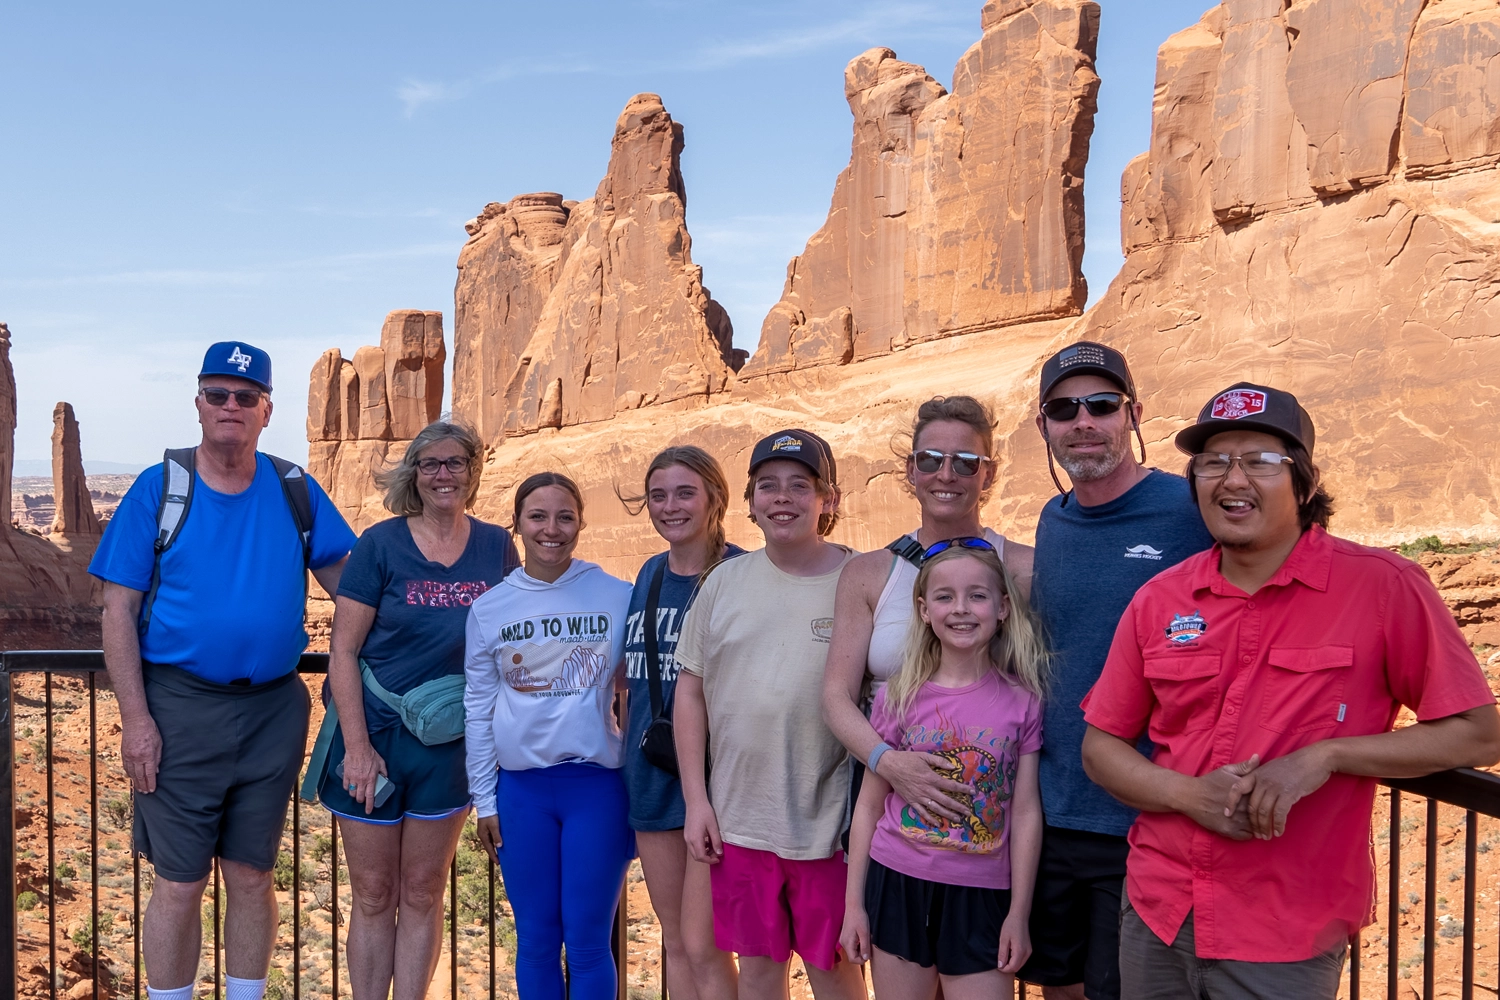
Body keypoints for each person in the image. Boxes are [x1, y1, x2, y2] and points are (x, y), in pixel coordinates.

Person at [1080, 382, 1500, 999]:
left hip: (1286, 930)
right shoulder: (1160, 599)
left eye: (1260, 461)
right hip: (1157, 912)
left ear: (1303, 483)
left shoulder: (1383, 588)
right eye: (1214, 463)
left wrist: (1327, 756)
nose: (1233, 480)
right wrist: (1191, 796)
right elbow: (1101, 745)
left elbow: (1480, 733)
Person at [90, 342, 356, 1000]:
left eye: (246, 397)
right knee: (179, 882)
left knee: (251, 876)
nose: (230, 406)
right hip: (180, 710)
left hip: (274, 712)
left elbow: (353, 588)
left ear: (267, 410)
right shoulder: (162, 488)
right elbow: (116, 611)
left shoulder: (294, 489)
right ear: (199, 405)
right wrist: (137, 721)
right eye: (218, 394)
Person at [1019, 342, 1214, 1000]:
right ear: (1041, 424)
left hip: (1144, 820)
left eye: (1101, 405)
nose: (1083, 421)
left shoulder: (1190, 510)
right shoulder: (1054, 520)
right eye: (1063, 408)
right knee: (1060, 986)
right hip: (1051, 812)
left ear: (1133, 415)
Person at [313, 421, 520, 1000]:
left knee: (425, 890)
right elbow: (344, 651)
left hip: (451, 746)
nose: (443, 474)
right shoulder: (381, 544)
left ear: (472, 472)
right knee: (375, 892)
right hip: (375, 740)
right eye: (430, 464)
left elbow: (513, 639)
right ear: (414, 474)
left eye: (455, 463)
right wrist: (356, 747)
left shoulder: (496, 545)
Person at [675, 428, 867, 1000]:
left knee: (834, 968)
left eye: (800, 486)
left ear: (827, 499)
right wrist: (696, 801)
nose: (783, 498)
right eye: (768, 486)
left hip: (828, 827)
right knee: (758, 969)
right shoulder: (723, 583)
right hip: (740, 823)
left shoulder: (860, 579)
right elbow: (690, 693)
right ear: (751, 502)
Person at [841, 537, 1046, 1000]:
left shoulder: (1024, 702)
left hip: (983, 897)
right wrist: (854, 905)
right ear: (923, 610)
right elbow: (869, 805)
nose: (961, 609)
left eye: (977, 595)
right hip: (898, 883)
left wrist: (1018, 912)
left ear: (1003, 608)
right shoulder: (900, 696)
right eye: (945, 596)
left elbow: (1026, 811)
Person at [824, 395, 1035, 835]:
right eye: (930, 459)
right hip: (885, 790)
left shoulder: (1022, 570)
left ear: (988, 473)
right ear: (910, 469)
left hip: (990, 800)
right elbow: (835, 697)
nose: (945, 474)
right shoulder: (869, 574)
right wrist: (890, 763)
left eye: (965, 463)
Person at [464, 472, 634, 1000]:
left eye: (565, 516)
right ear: (516, 524)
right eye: (538, 516)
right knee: (536, 941)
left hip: (597, 790)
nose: (551, 529)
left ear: (580, 523)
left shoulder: (617, 596)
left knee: (587, 943)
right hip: (522, 794)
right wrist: (484, 800)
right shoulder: (490, 608)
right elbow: (478, 707)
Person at [617, 446, 744, 1000]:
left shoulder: (741, 573)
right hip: (650, 771)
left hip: (718, 780)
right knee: (676, 939)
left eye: (685, 492)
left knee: (706, 942)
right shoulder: (648, 573)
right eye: (658, 495)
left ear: (714, 497)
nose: (670, 506)